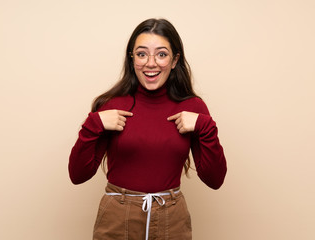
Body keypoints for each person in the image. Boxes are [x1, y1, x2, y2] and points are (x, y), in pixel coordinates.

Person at [68, 18, 227, 240]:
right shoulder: (111, 105)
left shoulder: (193, 108)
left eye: (161, 54)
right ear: (132, 59)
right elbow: (77, 175)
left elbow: (215, 180)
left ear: (174, 60)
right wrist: (93, 124)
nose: (151, 63)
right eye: (142, 54)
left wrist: (205, 126)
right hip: (117, 217)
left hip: (173, 219)